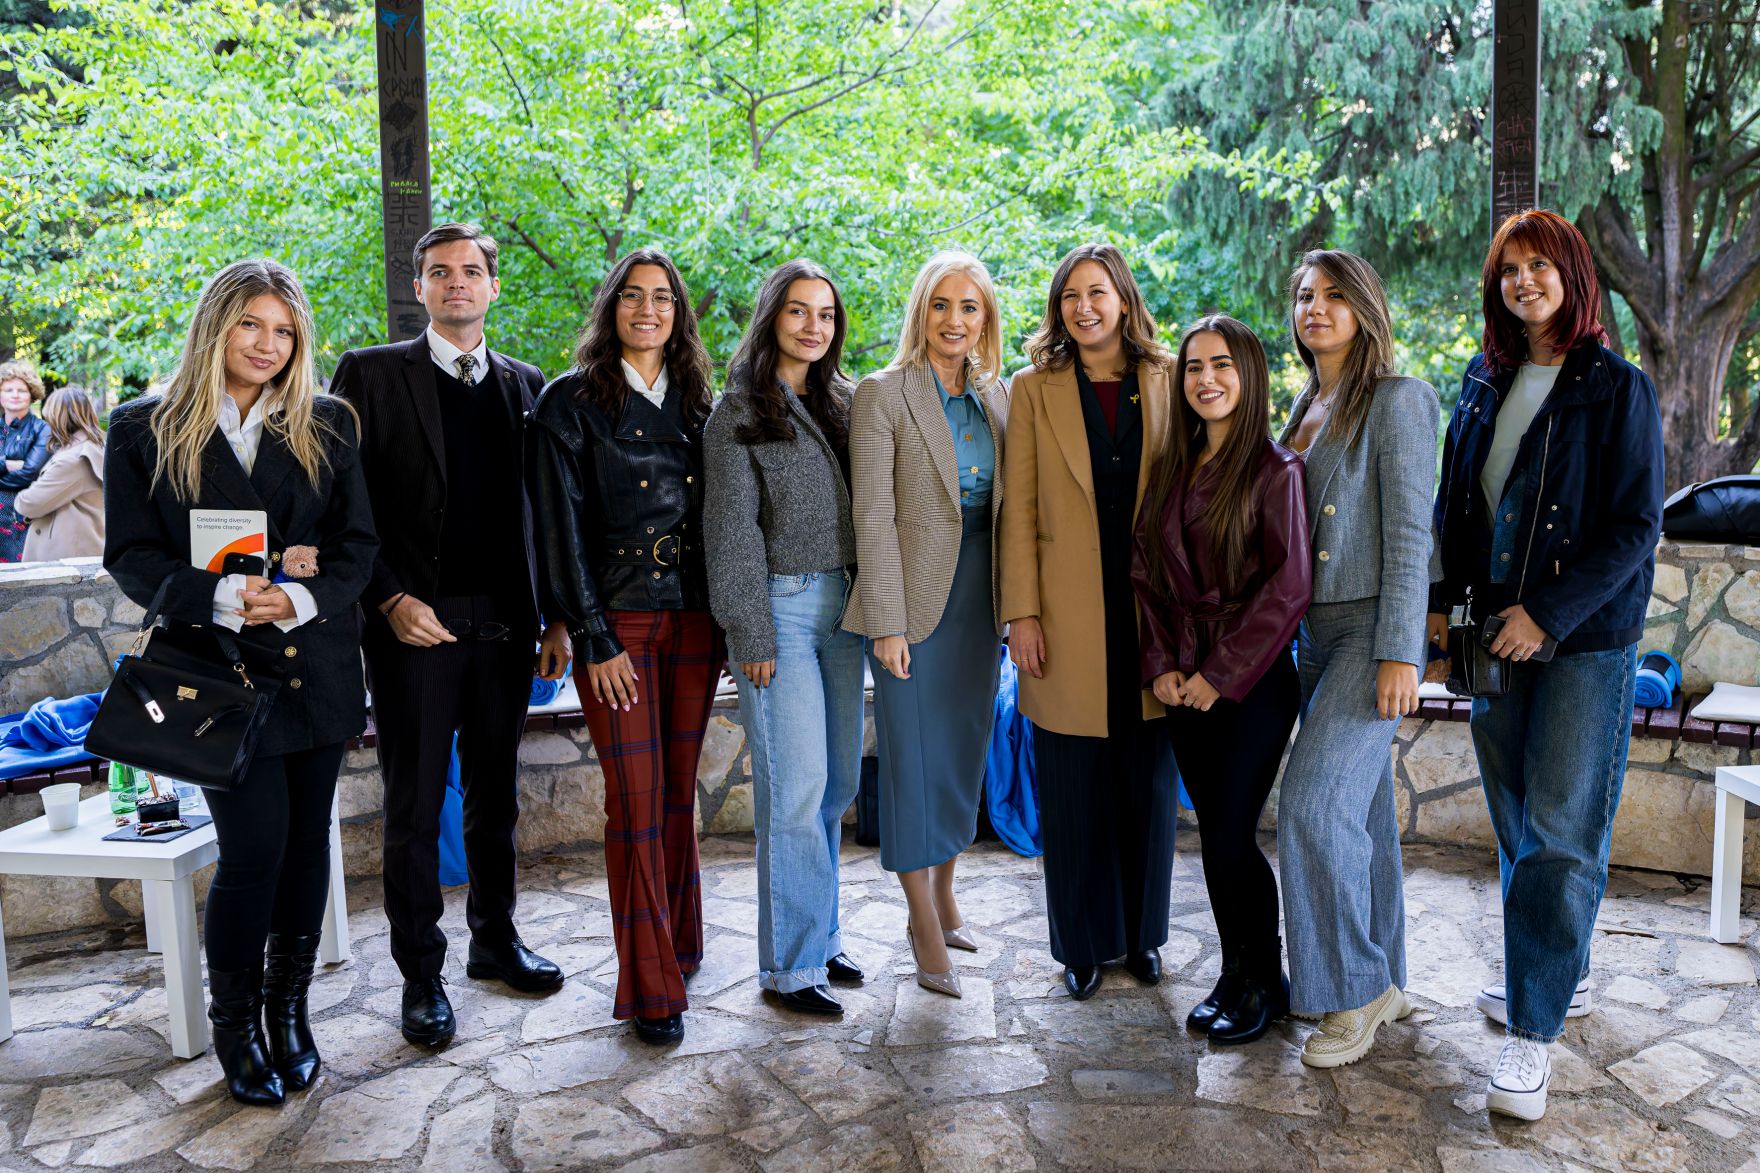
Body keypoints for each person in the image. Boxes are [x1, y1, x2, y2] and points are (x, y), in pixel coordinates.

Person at [103, 259, 377, 1105]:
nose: (268, 344)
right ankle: (237, 1027)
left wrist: (293, 595)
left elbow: (358, 546)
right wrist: (224, 593)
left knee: (303, 852)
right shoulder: (143, 427)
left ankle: (291, 1012)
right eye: (251, 325)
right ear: (215, 325)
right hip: (219, 679)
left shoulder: (328, 421)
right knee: (253, 851)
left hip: (315, 670)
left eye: (284, 330)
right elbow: (131, 557)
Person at [1428, 209, 1663, 1121]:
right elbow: (1458, 508)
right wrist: (1452, 618)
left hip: (1581, 643)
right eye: (1509, 268)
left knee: (1562, 830)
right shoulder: (1483, 380)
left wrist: (1548, 616)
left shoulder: (1615, 386)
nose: (1524, 281)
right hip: (1490, 634)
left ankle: (1533, 1032)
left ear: (1573, 273)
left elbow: (1636, 527)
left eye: (1540, 265)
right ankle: (1556, 973)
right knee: (1520, 821)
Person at [330, 222, 567, 1051]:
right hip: (413, 630)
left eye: (471, 272)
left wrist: (557, 614)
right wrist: (388, 599)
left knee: (496, 801)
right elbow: (343, 502)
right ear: (421, 287)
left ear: (492, 288)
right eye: (441, 273)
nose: (457, 284)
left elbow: (546, 512)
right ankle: (421, 976)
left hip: (506, 630)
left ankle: (494, 943)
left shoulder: (527, 384)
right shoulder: (369, 374)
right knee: (415, 808)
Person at [530, 247, 724, 1044]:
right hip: (621, 627)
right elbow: (558, 531)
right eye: (633, 297)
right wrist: (593, 635)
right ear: (611, 307)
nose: (649, 310)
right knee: (634, 807)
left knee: (677, 795)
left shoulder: (698, 402)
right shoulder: (568, 402)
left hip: (696, 623)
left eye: (665, 299)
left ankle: (680, 942)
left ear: (679, 315)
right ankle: (650, 987)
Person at [1274, 248, 1439, 1069]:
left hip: (1371, 627)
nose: (1317, 307)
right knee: (1362, 809)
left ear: (1365, 308)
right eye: (1306, 295)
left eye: (1335, 294)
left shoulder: (1399, 400)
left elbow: (1412, 530)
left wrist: (1400, 651)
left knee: (1309, 801)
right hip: (1311, 632)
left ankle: (1351, 988)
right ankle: (1390, 977)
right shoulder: (1302, 406)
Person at [1000, 242, 1177, 1001]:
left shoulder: (1169, 380)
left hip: (1154, 616)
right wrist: (1021, 614)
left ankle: (1142, 936)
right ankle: (1080, 945)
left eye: (1097, 291)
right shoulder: (1033, 389)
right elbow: (1019, 511)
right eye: (1070, 295)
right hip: (1065, 615)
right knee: (1073, 788)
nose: (1084, 307)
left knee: (1147, 781)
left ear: (1124, 299)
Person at [1131, 315, 1311, 1042]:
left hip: (1253, 682)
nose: (1206, 379)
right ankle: (1235, 974)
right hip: (1183, 682)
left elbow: (1289, 586)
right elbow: (1144, 576)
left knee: (1234, 832)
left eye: (1222, 365)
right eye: (1194, 366)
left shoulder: (1277, 470)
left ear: (1250, 376)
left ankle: (1266, 982)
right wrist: (1165, 667)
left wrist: (1219, 672)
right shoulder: (1172, 470)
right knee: (1215, 834)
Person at [843, 250, 1008, 999]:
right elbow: (871, 514)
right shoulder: (883, 394)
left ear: (986, 319)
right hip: (910, 601)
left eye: (969, 307)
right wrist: (886, 621)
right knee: (913, 759)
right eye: (941, 305)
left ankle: (946, 892)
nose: (954, 320)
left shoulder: (996, 395)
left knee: (963, 750)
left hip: (982, 592)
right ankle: (920, 922)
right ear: (921, 311)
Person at [703, 259, 866, 1016]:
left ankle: (823, 935)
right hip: (780, 609)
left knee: (837, 783)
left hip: (845, 609)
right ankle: (792, 967)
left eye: (826, 314)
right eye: (799, 311)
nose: (813, 326)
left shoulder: (843, 400)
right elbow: (730, 531)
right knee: (794, 792)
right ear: (772, 316)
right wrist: (749, 627)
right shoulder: (737, 409)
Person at [17, 386, 106, 562]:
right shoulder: (96, 447)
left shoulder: (74, 459)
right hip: (83, 547)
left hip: (64, 556)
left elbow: (28, 503)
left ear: (59, 417)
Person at [0, 358, 51, 562]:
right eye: (8, 389)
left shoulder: (43, 429)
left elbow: (30, 473)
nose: (15, 395)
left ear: (31, 394)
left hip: (22, 512)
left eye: (21, 390)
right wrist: (8, 464)